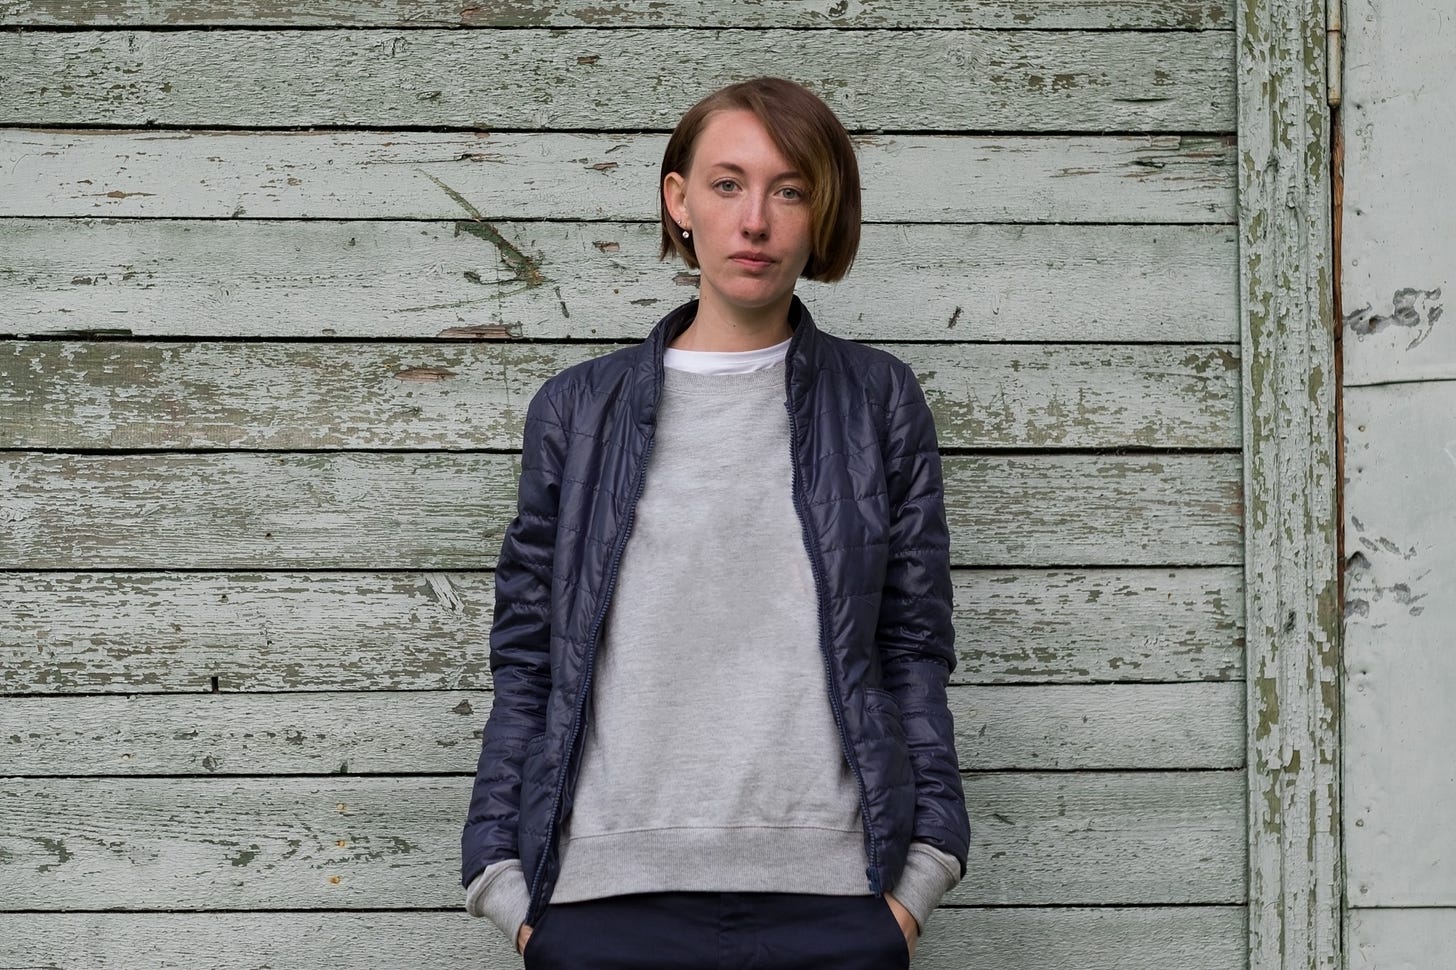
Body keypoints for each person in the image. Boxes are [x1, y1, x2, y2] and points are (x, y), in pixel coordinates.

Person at [460, 76, 969, 969]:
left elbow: (910, 646)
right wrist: (502, 882)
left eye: (791, 188)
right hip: (604, 904)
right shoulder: (579, 411)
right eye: (728, 183)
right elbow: (530, 655)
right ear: (679, 200)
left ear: (822, 212)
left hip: (836, 904)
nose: (756, 219)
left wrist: (920, 876)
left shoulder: (877, 401)